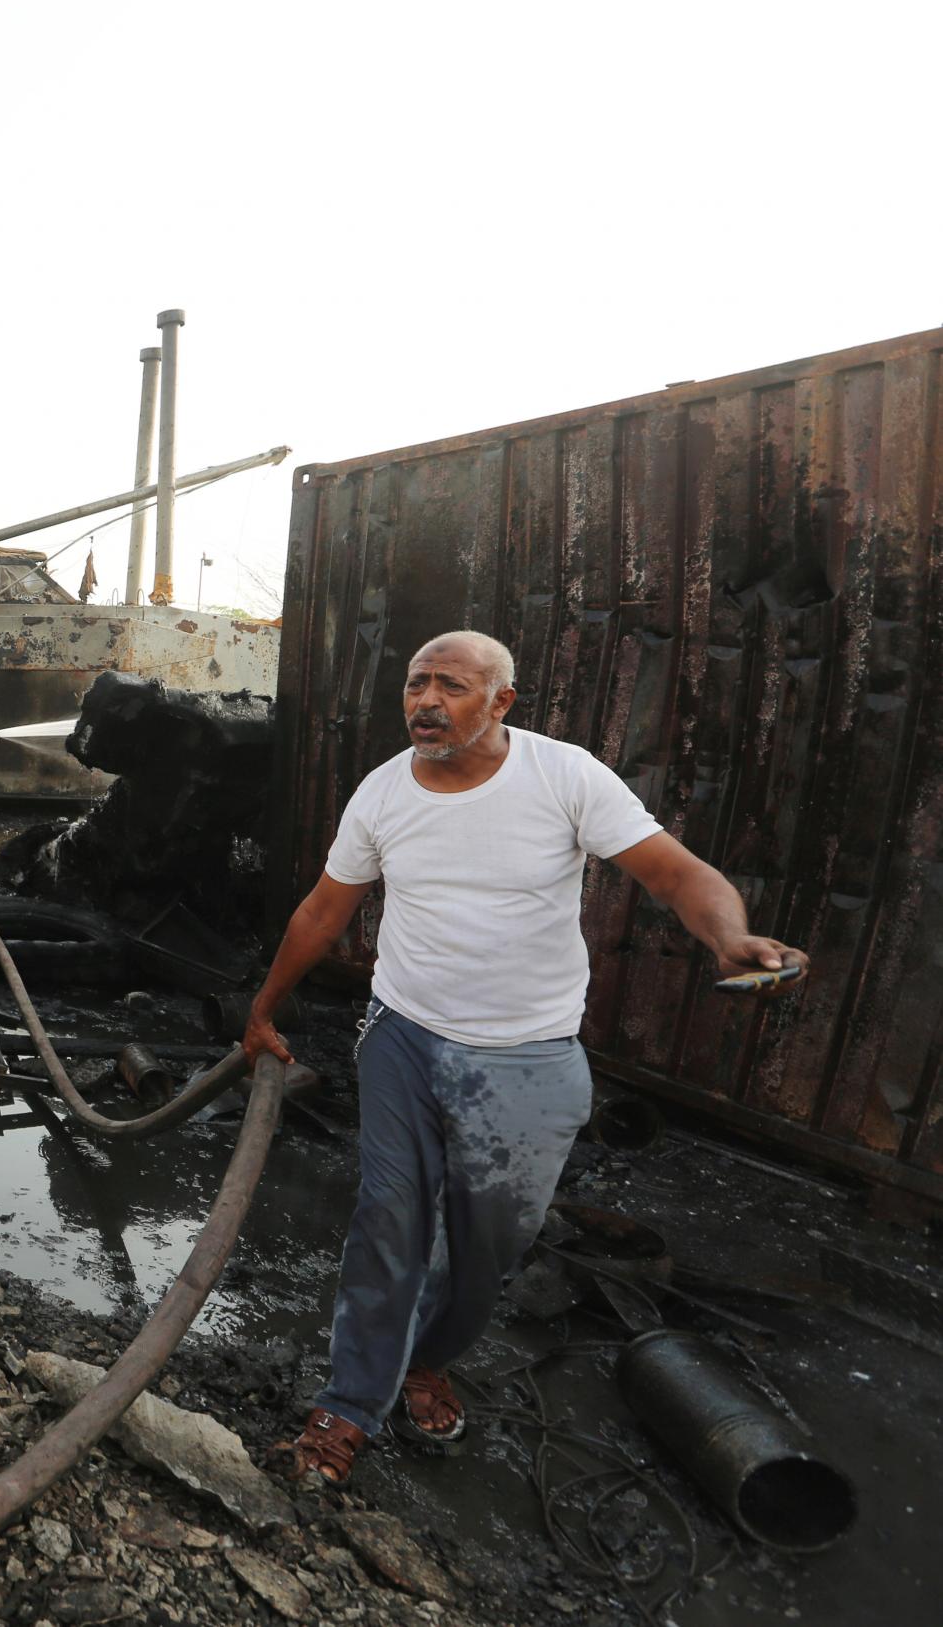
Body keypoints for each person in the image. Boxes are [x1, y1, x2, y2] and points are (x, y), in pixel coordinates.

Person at [249, 630, 807, 1486]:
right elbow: (326, 910)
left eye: (453, 686)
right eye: (416, 681)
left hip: (528, 1059)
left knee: (489, 1247)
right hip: (402, 1037)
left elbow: (672, 872)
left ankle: (429, 1357)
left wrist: (728, 937)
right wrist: (263, 1007)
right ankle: (349, 1405)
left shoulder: (564, 775)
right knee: (388, 1223)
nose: (426, 701)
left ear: (502, 702)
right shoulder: (382, 793)